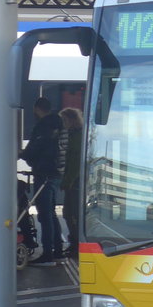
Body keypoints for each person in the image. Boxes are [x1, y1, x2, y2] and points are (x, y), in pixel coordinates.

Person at [20, 96, 66, 266]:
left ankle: (48, 254)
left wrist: (22, 154)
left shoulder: (44, 126)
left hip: (44, 173)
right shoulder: (57, 124)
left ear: (37, 109)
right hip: (54, 174)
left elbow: (36, 148)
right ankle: (58, 251)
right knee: (51, 213)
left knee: (45, 214)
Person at [58, 106, 83, 259]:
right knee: (70, 213)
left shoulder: (77, 136)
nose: (63, 124)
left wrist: (67, 181)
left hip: (75, 183)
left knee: (70, 214)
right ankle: (75, 242)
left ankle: (76, 244)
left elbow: (74, 162)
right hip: (73, 181)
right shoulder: (74, 134)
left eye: (64, 120)